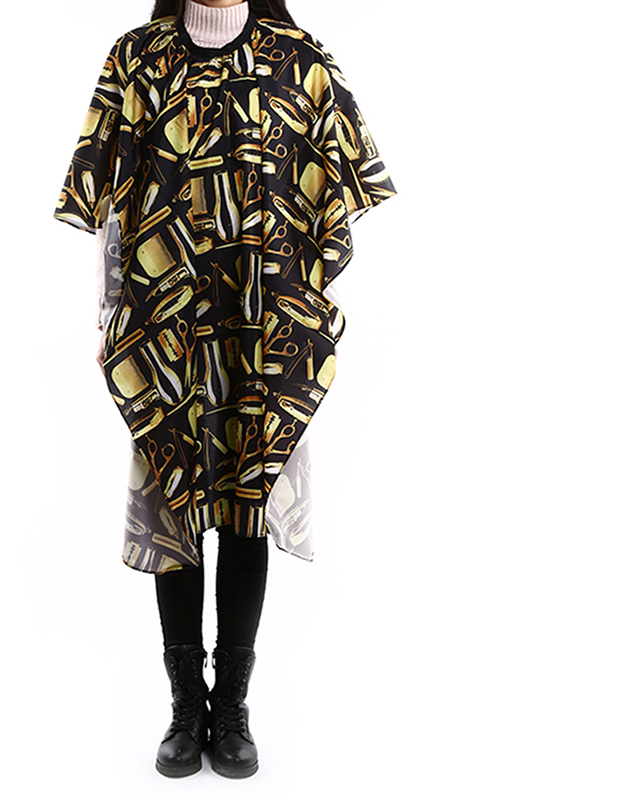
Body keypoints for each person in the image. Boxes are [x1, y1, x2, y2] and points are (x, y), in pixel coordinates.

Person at [52, 0, 397, 779]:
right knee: (175, 504)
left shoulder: (299, 60)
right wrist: (111, 314)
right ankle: (185, 709)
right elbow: (110, 204)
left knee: (247, 497)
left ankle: (232, 709)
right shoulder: (137, 58)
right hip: (167, 324)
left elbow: (329, 195)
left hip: (261, 325)